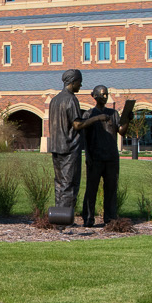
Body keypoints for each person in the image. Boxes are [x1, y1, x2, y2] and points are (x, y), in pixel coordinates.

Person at [78, 85, 122, 227]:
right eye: (102, 94)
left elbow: (121, 131)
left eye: (106, 94)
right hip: (95, 158)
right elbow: (85, 138)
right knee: (91, 190)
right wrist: (88, 156)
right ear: (95, 96)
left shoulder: (113, 113)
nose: (105, 96)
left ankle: (110, 218)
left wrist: (127, 118)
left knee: (111, 190)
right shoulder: (88, 115)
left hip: (111, 158)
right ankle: (88, 218)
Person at [43, 69, 85, 216]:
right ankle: (63, 219)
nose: (81, 85)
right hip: (69, 148)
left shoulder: (54, 100)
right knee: (69, 184)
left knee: (59, 184)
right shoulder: (71, 99)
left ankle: (57, 217)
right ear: (72, 82)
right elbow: (77, 125)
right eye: (79, 82)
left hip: (56, 147)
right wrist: (95, 119)